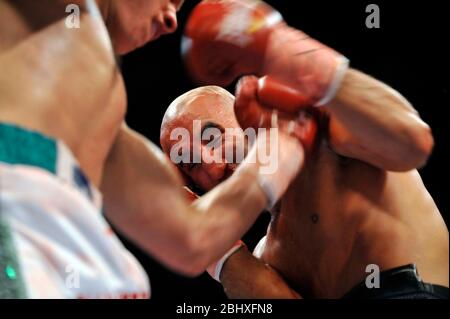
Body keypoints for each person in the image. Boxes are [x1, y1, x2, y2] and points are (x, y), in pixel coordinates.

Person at [0, 0, 302, 298]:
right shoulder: (49, 16)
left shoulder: (105, 116)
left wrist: (279, 153)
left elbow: (192, 243)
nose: (171, 20)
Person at [161, 0, 450, 297]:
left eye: (213, 137)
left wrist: (288, 52)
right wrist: (204, 236)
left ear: (241, 115)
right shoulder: (268, 258)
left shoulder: (327, 138)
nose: (212, 164)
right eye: (192, 163)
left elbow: (414, 141)